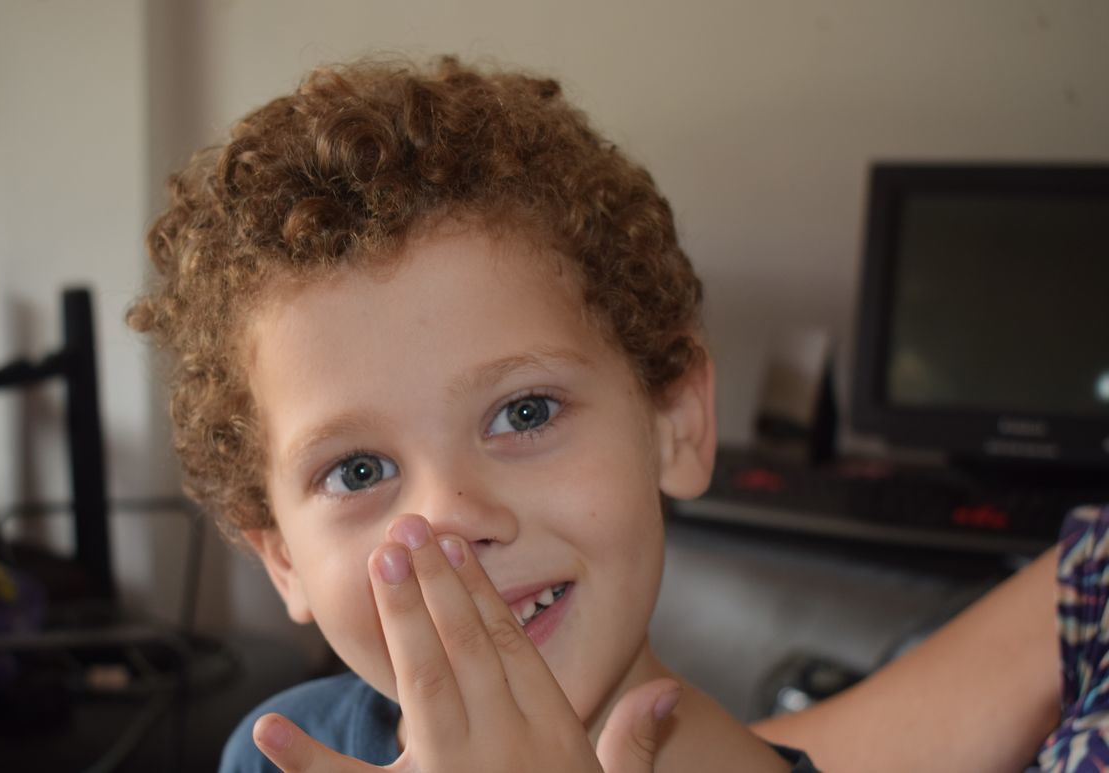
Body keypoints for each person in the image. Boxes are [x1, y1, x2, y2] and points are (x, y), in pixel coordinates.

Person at [130, 56, 1089, 772]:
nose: (450, 517)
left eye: (525, 410)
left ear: (677, 420)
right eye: (357, 471)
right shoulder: (276, 754)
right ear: (282, 556)